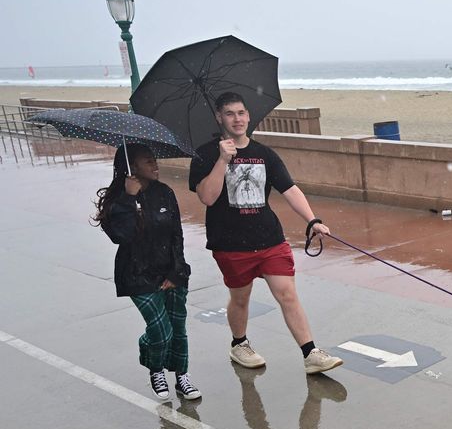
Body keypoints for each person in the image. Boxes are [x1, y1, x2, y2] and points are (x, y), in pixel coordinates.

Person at [189, 92, 343, 374]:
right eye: (230, 114)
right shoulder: (206, 153)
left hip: (269, 238)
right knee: (240, 298)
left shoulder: (264, 154)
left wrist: (313, 220)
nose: (237, 119)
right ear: (218, 118)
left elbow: (290, 189)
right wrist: (222, 160)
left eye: (241, 113)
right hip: (231, 243)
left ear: (249, 116)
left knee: (287, 294)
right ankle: (239, 344)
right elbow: (207, 198)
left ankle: (311, 353)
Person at [95, 143, 201, 400]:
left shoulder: (164, 192)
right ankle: (155, 367)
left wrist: (177, 271)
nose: (155, 165)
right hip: (137, 275)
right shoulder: (117, 199)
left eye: (154, 159)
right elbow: (120, 235)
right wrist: (129, 199)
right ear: (130, 166)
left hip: (171, 270)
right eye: (147, 161)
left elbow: (176, 234)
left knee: (178, 327)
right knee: (159, 331)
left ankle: (182, 376)